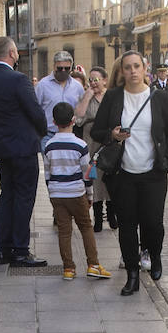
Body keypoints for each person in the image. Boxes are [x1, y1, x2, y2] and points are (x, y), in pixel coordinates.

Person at [91, 50, 168, 296]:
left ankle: (155, 254)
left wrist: (167, 157)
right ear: (121, 71)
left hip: (153, 173)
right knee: (128, 225)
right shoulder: (113, 97)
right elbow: (97, 131)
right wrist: (112, 134)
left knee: (153, 223)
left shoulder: (158, 97)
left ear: (144, 69)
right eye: (127, 67)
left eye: (136, 67)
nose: (132, 71)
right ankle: (132, 274)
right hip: (123, 173)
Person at [0, 36, 48, 267]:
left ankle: (4, 249)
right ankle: (20, 250)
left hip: (2, 148)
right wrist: (40, 132)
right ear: (11, 53)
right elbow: (36, 113)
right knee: (23, 199)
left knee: (7, 197)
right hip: (22, 148)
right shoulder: (18, 79)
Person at [45, 101, 109, 281]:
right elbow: (87, 173)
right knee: (86, 227)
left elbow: (48, 173)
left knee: (64, 232)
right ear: (74, 120)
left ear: (54, 121)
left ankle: (68, 268)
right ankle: (93, 264)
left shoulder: (49, 145)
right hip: (76, 192)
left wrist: (51, 193)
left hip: (57, 194)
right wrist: (89, 194)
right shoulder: (80, 145)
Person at [74, 65, 116, 231]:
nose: (93, 83)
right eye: (90, 80)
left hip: (108, 141)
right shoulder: (87, 96)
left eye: (96, 79)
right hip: (91, 142)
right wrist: (87, 97)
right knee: (94, 179)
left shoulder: (111, 97)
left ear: (105, 80)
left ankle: (112, 215)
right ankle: (97, 218)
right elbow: (78, 118)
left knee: (109, 178)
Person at [35, 49, 85, 148]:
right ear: (54, 66)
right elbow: (35, 109)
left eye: (66, 68)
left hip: (71, 134)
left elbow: (81, 108)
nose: (63, 71)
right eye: (60, 68)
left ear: (71, 68)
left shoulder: (77, 86)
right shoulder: (42, 85)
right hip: (48, 135)